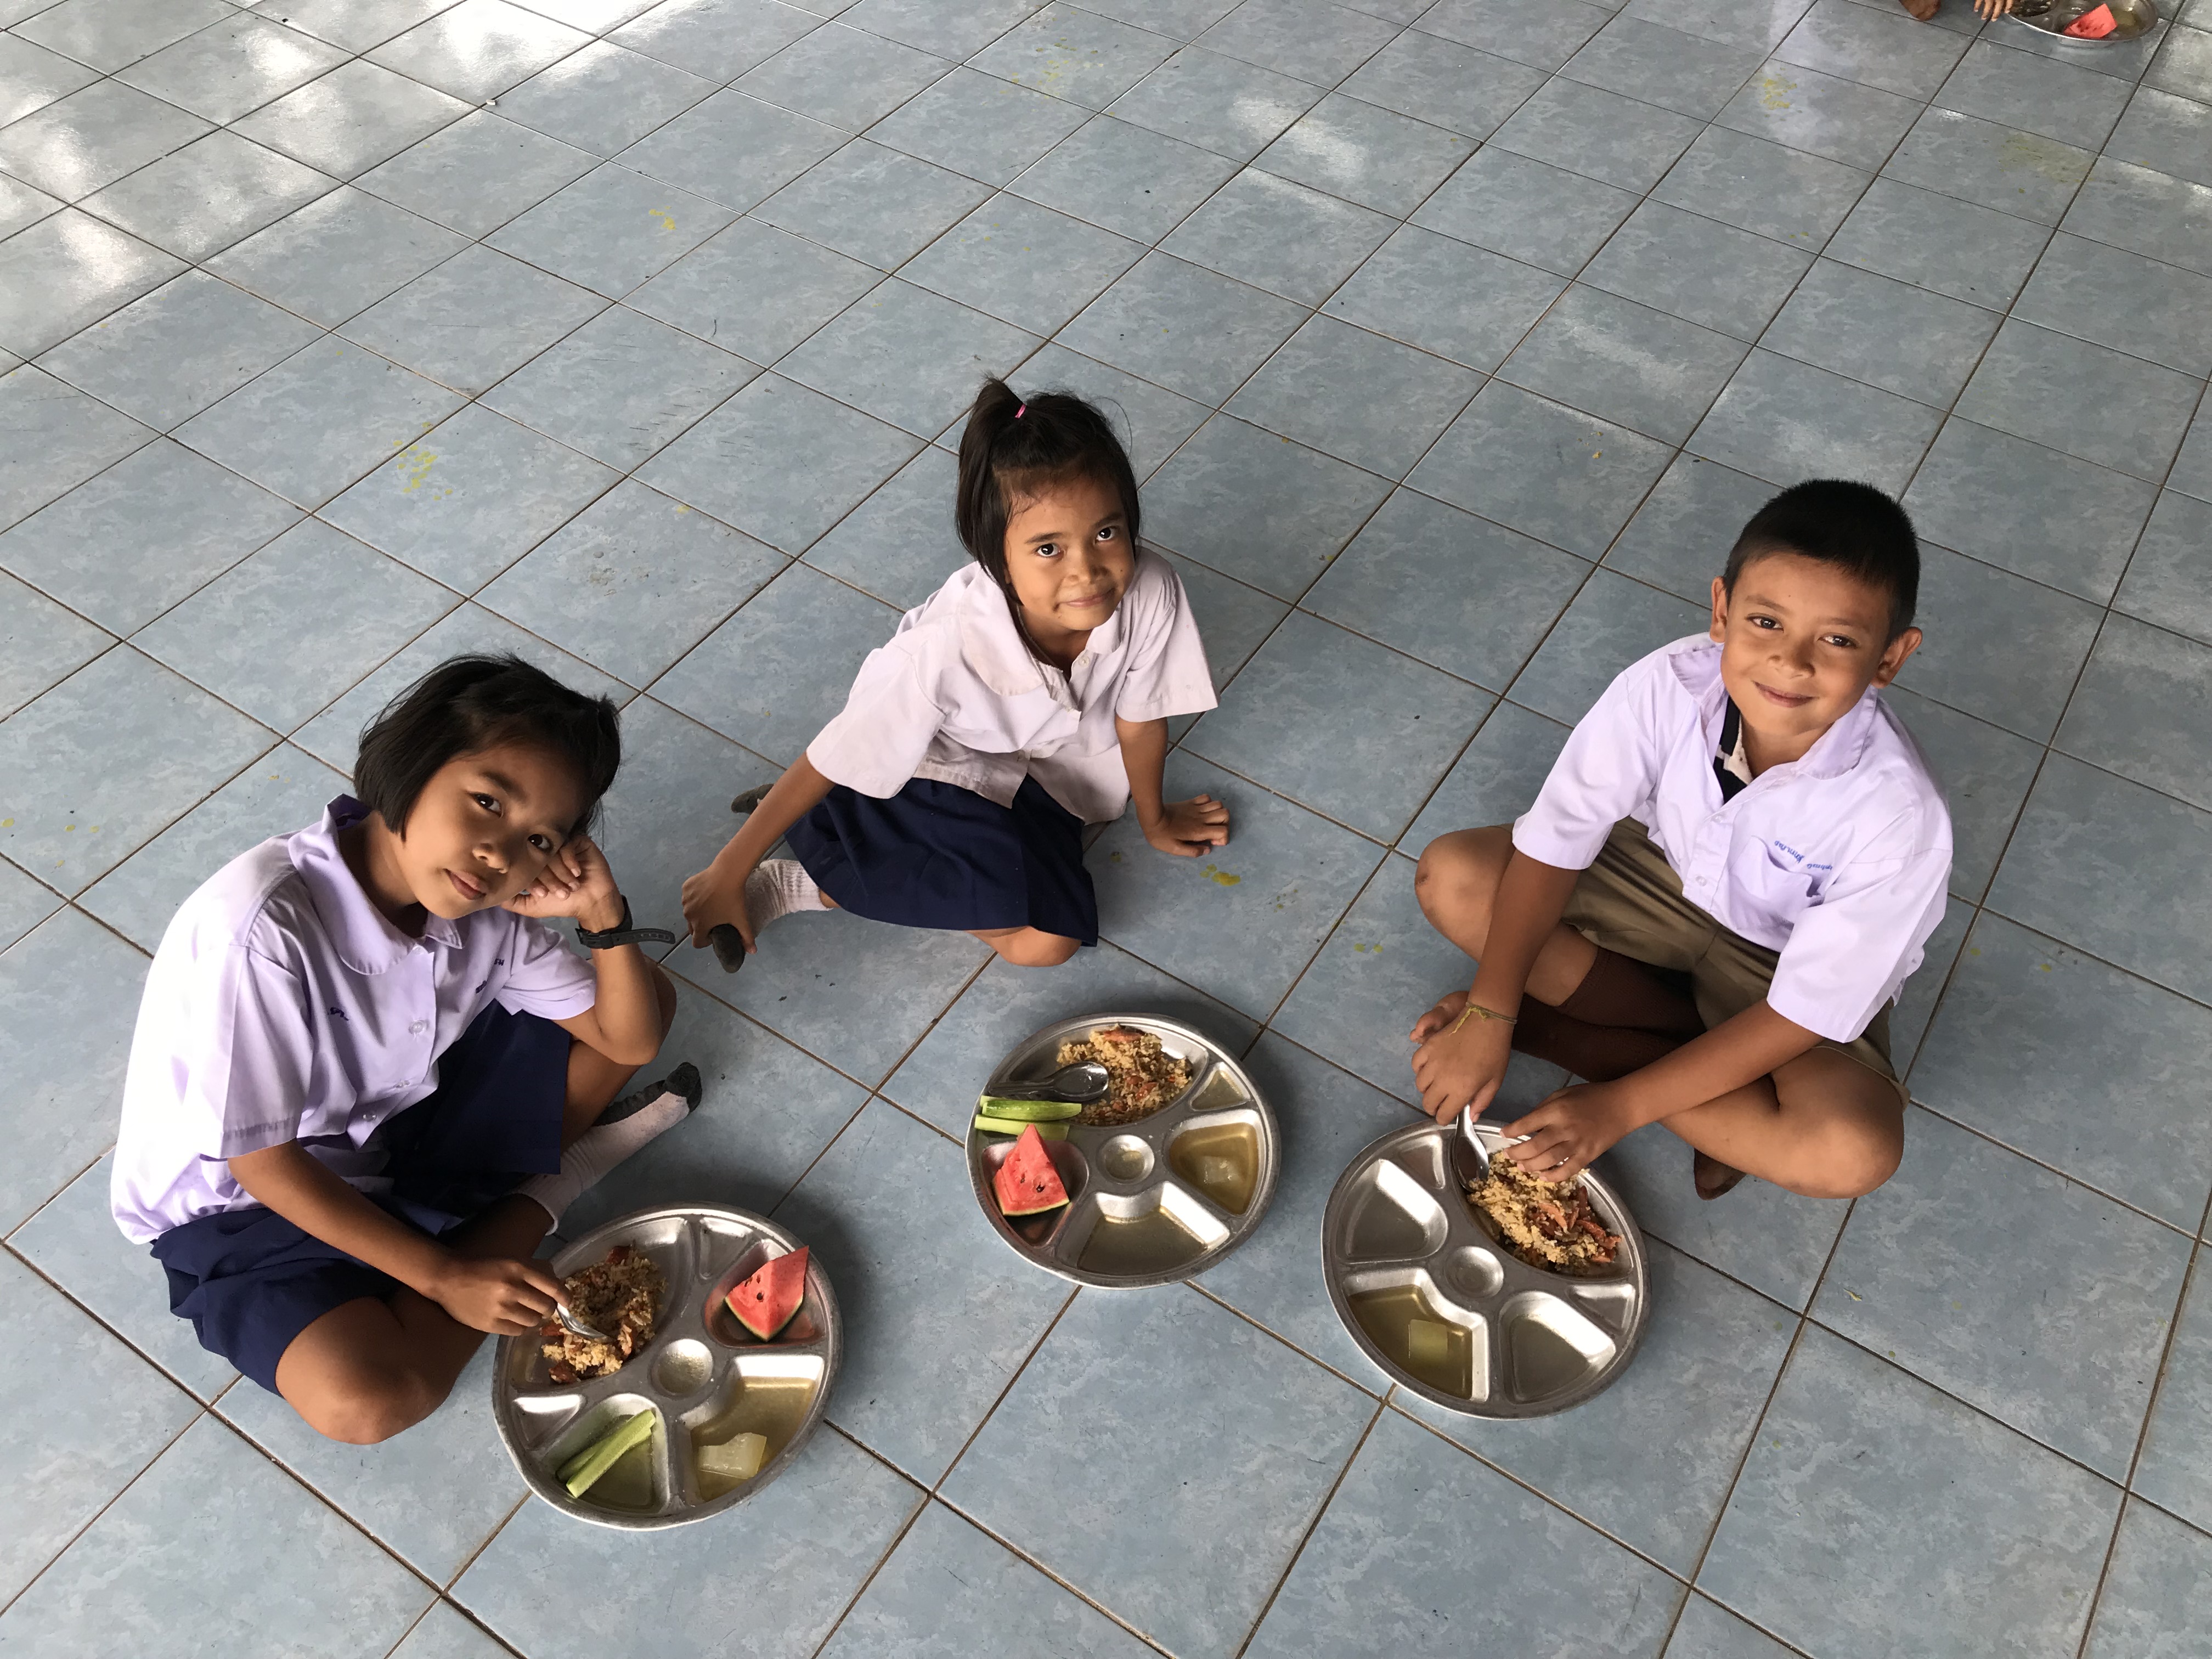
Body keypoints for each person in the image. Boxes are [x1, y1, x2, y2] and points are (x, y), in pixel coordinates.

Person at [112, 656, 699, 1443]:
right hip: (243, 1202)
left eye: (538, 839)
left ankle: (491, 1212)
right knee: (368, 1401)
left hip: (381, 1127)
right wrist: (446, 1278)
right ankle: (551, 1189)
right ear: (413, 763)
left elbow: (630, 1038)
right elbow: (263, 1165)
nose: (498, 854)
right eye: (487, 801)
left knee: (642, 996)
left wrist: (604, 916)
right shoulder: (260, 930)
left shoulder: (483, 912)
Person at [1408, 480, 1950, 1201]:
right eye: (1766, 622)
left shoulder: (1902, 817)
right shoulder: (1667, 684)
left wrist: (1617, 1108)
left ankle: (1577, 1039)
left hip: (1779, 962)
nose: (1791, 663)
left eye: (1839, 640)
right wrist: (1489, 1010)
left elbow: (1802, 1011)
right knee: (1453, 877)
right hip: (1659, 875)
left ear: (1890, 657)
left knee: (1850, 1153)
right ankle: (1708, 1090)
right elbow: (1560, 834)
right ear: (1722, 611)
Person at [681, 378, 1228, 969]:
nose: (1087, 572)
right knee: (1043, 937)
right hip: (940, 771)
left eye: (1106, 533)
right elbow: (836, 752)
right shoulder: (942, 647)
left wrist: (1156, 819)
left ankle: (831, 849)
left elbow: (1140, 719)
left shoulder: (1152, 589)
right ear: (998, 559)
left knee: (1048, 942)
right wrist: (726, 871)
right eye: (1048, 549)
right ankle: (808, 871)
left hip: (1046, 782)